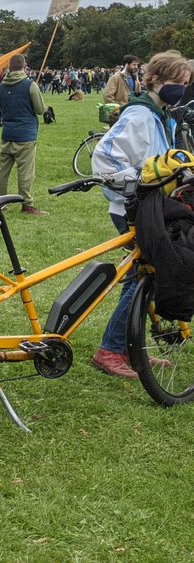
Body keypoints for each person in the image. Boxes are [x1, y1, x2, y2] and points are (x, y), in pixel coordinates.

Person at [90, 50, 192, 378]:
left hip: (151, 208)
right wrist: (137, 183)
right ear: (156, 80)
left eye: (186, 82)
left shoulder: (163, 114)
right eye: (176, 81)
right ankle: (110, 350)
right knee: (142, 276)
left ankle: (127, 348)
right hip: (133, 209)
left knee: (139, 277)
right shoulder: (140, 115)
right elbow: (104, 158)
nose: (181, 87)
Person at [0, 54, 48, 216]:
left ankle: (0, 202)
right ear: (24, 66)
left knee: (3, 171)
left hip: (7, 132)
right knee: (25, 172)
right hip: (25, 135)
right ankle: (27, 204)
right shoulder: (30, 85)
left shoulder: (1, 87)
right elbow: (40, 110)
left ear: (9, 67)